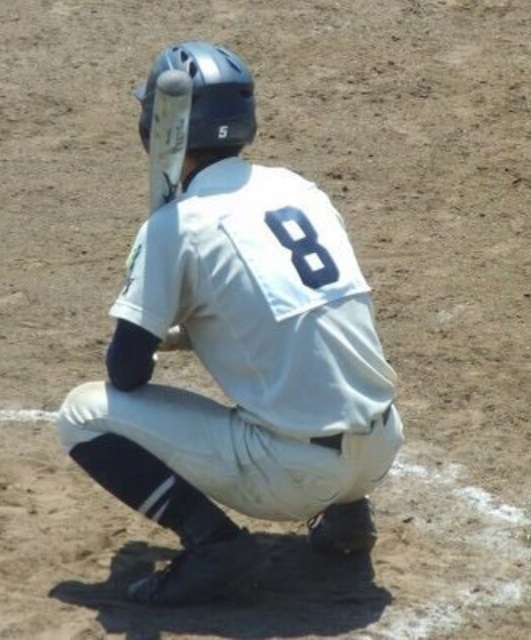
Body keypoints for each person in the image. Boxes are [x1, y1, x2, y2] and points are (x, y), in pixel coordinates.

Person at [56, 40, 404, 607]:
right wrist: (198, 324)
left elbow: (126, 373)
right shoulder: (298, 189)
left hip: (291, 475)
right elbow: (292, 316)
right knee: (312, 361)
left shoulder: (177, 227)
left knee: (82, 414)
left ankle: (214, 546)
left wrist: (162, 319)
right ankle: (348, 514)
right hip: (382, 446)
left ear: (158, 126)